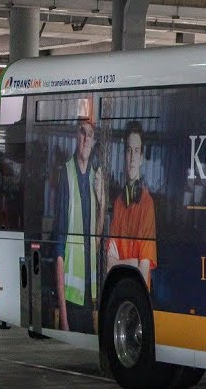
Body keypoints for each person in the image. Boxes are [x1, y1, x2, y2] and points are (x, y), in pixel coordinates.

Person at [51, 110, 106, 332]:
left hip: (88, 294)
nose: (85, 138)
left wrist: (101, 205)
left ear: (93, 142)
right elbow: (59, 250)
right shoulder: (66, 174)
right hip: (71, 299)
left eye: (90, 134)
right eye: (82, 132)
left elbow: (97, 241)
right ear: (76, 136)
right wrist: (63, 319)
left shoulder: (95, 177)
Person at [108, 122, 158, 289]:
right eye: (129, 150)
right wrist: (132, 262)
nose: (132, 157)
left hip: (136, 293)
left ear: (142, 158)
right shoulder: (118, 204)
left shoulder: (147, 204)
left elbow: (143, 269)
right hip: (119, 289)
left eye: (136, 151)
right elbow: (108, 264)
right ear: (124, 155)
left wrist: (120, 263)